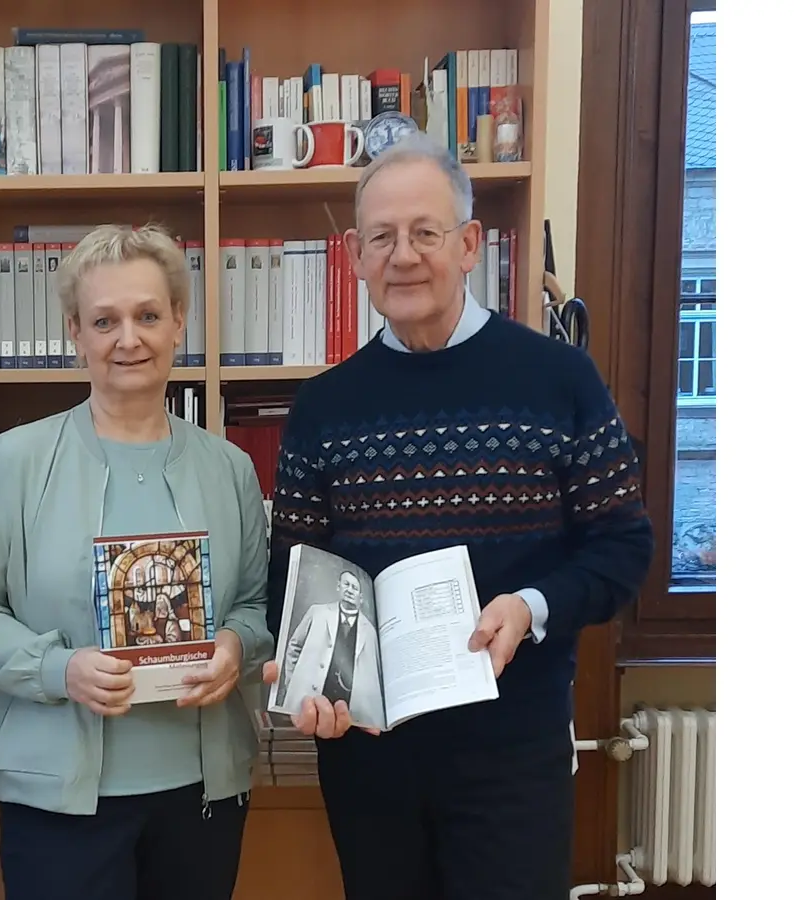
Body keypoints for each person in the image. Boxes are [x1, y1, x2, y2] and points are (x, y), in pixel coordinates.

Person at [261, 132, 655, 900]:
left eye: (426, 233)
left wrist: (531, 607)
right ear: (355, 255)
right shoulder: (322, 407)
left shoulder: (558, 379)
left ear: (471, 244)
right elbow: (295, 573)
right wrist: (313, 676)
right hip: (370, 756)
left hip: (512, 755)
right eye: (383, 237)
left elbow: (623, 545)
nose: (404, 255)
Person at [0, 223, 274, 900]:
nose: (129, 338)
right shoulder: (16, 462)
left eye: (148, 315)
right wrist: (59, 669)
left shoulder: (230, 468)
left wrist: (236, 646)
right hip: (59, 807)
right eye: (105, 320)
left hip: (201, 796)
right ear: (76, 332)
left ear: (179, 320)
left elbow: (256, 602)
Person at [276, 570, 382, 726]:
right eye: (346, 584)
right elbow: (294, 646)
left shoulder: (371, 631)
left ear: (361, 597)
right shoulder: (317, 612)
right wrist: (292, 682)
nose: (349, 590)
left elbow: (374, 674)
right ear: (338, 587)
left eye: (354, 587)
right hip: (312, 705)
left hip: (350, 715)